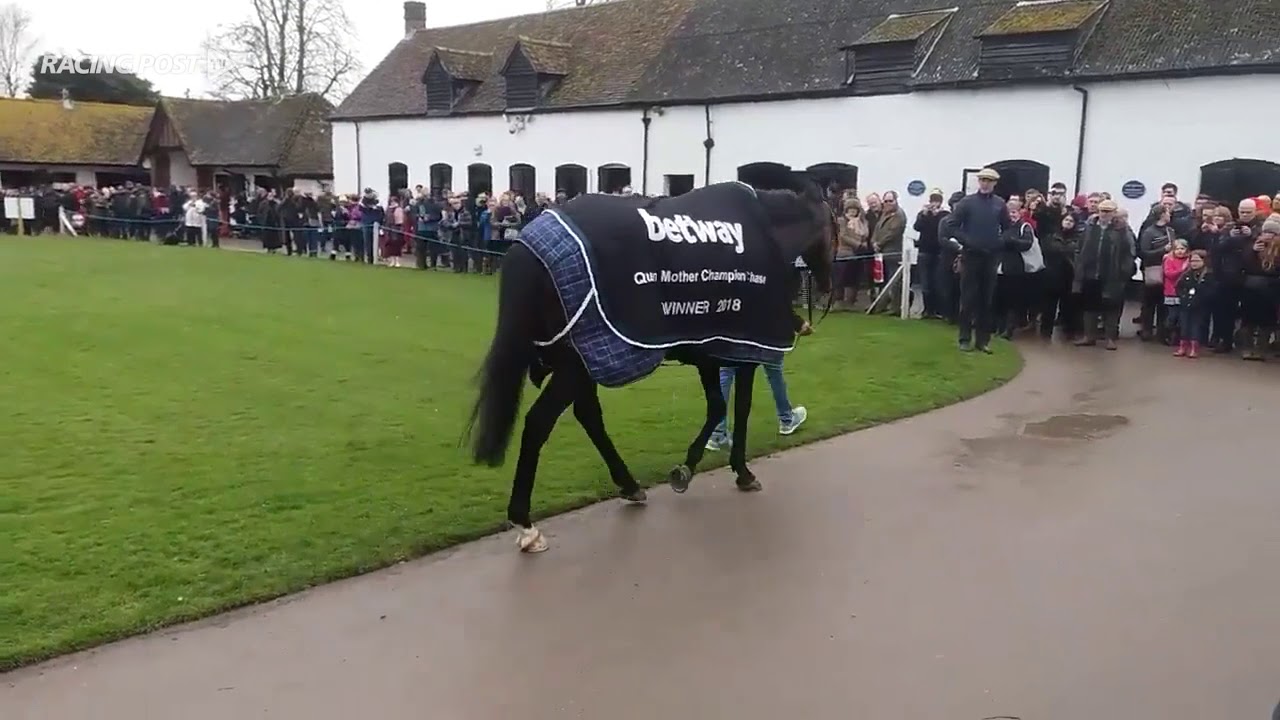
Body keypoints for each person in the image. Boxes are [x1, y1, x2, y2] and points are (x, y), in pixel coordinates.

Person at [706, 316, 814, 450]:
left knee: (725, 374)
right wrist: (799, 324)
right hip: (766, 334)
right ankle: (786, 419)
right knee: (774, 373)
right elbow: (777, 306)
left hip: (735, 333)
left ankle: (716, 433)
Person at [940, 166, 1012, 353]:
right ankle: (964, 338)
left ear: (995, 183)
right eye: (982, 180)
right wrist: (967, 241)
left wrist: (1000, 241)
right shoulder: (967, 202)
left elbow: (1007, 227)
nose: (985, 183)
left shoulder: (999, 204)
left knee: (986, 300)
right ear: (979, 182)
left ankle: (982, 341)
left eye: (989, 181)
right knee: (968, 298)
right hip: (971, 255)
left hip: (991, 256)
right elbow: (951, 226)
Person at [1072, 199, 1135, 350]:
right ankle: (1089, 336)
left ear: (1114, 213)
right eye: (1102, 211)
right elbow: (1079, 248)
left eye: (1108, 211)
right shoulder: (1090, 227)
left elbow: (1130, 252)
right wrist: (1079, 265)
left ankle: (1110, 338)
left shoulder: (1122, 230)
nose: (1104, 214)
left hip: (1112, 274)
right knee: (1089, 306)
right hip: (1090, 272)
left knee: (1111, 307)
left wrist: (1123, 272)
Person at [1173, 249, 1212, 358]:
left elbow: (1211, 290)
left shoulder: (1208, 275)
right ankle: (1182, 347)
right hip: (1185, 304)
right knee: (1184, 325)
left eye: (1197, 261)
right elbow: (1178, 287)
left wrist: (1200, 298)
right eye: (1192, 261)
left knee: (1196, 327)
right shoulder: (1186, 274)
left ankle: (1194, 348)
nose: (1194, 263)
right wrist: (1183, 296)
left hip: (1200, 306)